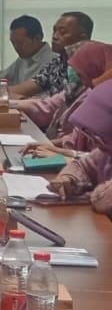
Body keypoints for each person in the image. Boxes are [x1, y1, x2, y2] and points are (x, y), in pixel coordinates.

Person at [50, 82, 112, 218]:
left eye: (100, 138)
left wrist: (93, 194)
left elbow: (102, 201)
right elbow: (82, 165)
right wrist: (68, 179)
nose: (95, 143)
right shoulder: (105, 153)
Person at [14, 12, 95, 100]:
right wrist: (4, 92)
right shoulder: (57, 62)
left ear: (83, 38)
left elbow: (66, 103)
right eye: (54, 31)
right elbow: (27, 87)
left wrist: (20, 100)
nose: (55, 36)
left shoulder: (89, 66)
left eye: (63, 32)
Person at [0, 16, 53, 92]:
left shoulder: (53, 61)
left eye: (20, 43)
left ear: (38, 38)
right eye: (13, 43)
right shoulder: (23, 59)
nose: (16, 47)